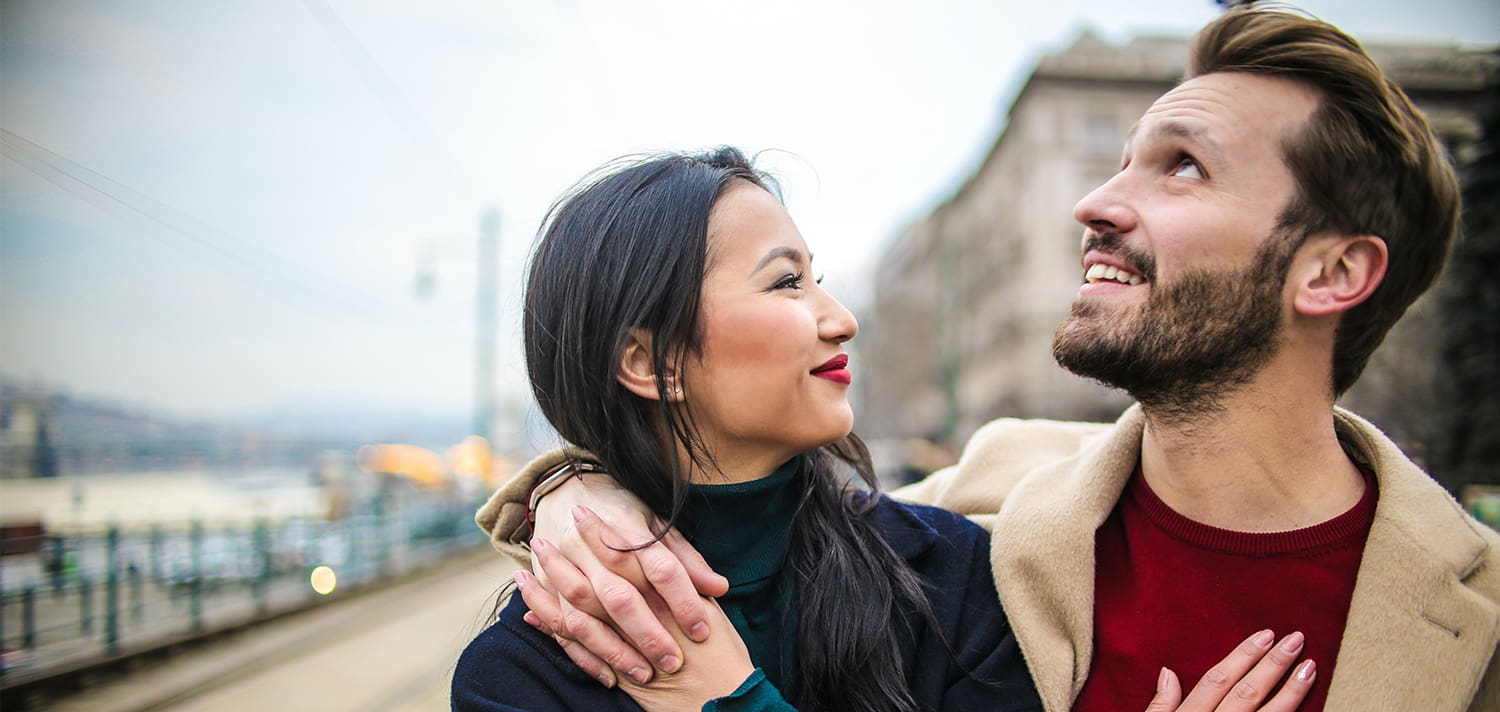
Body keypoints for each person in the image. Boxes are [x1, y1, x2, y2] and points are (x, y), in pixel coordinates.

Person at [483, 6, 1500, 712]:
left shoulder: (1481, 617)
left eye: (1183, 166)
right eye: (1118, 157)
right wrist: (580, 487)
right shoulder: (991, 511)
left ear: (1332, 273)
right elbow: (743, 493)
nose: (1093, 203)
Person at [451, 147, 1045, 711]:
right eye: (787, 282)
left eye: (816, 279)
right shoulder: (521, 674)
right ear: (649, 362)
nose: (842, 320)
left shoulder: (949, 573)